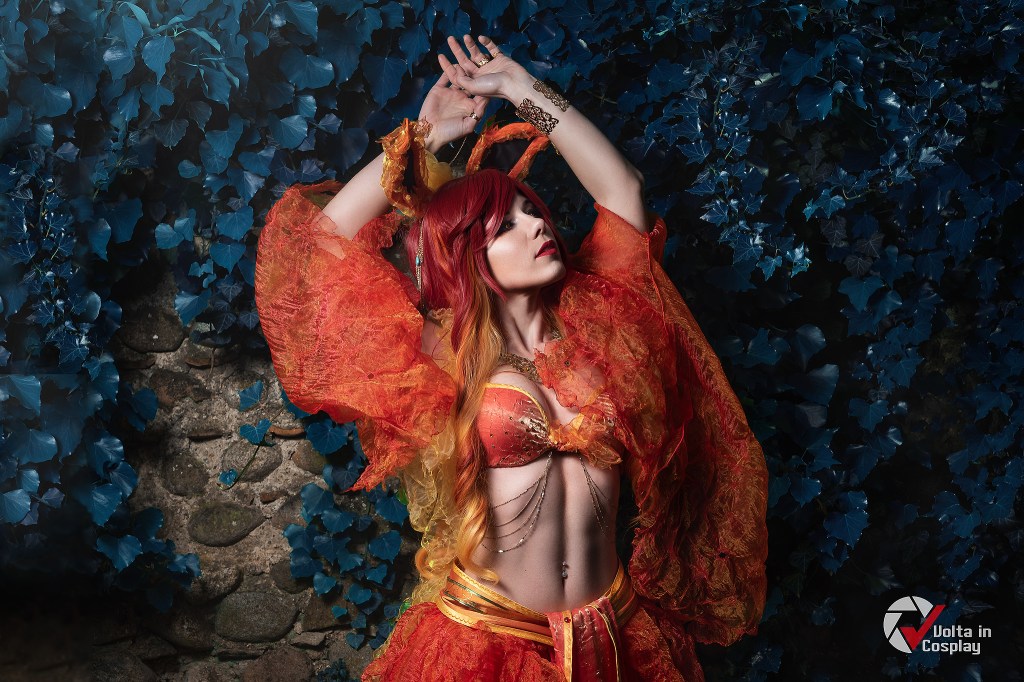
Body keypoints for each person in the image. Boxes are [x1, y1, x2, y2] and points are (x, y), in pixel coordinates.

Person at [255, 33, 769, 681]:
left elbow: (623, 188)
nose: (537, 227)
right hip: (493, 639)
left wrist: (521, 90)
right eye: (507, 227)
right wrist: (423, 139)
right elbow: (320, 249)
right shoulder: (442, 352)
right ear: (467, 255)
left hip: (615, 630)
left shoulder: (601, 319)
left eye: (533, 212)